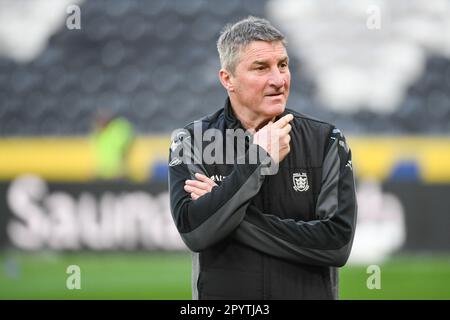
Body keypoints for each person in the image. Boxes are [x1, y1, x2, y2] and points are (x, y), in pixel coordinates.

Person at [168, 16, 357, 300]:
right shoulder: (192, 141)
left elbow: (335, 244)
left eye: (282, 65)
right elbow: (196, 231)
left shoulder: (326, 140)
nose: (278, 80)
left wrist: (227, 213)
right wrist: (257, 159)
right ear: (227, 79)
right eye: (261, 68)